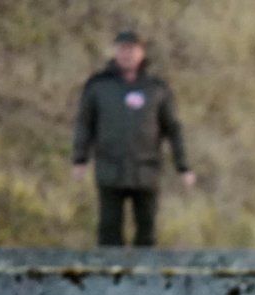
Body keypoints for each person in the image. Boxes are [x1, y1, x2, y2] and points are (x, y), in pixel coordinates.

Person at [72, 30, 194, 247]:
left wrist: (183, 167)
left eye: (132, 50)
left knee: (146, 232)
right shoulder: (99, 86)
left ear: (141, 53)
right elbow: (84, 124)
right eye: (122, 49)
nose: (126, 54)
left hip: (146, 170)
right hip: (110, 169)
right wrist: (79, 159)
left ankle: (144, 278)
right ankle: (109, 277)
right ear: (115, 52)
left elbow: (173, 129)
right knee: (109, 230)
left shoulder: (156, 89)